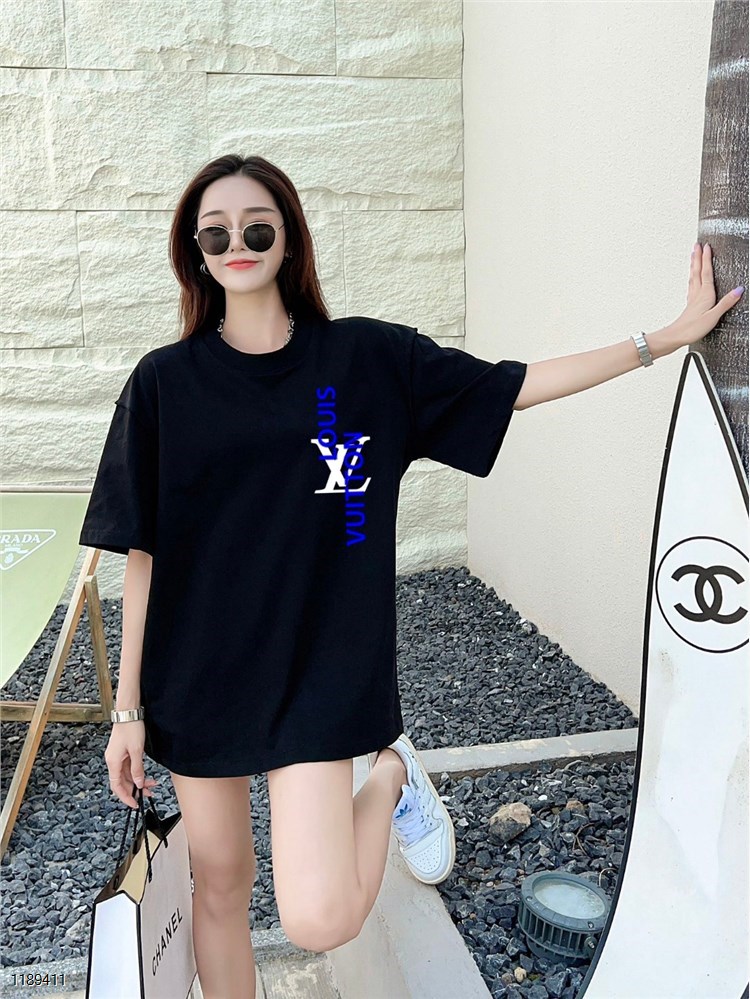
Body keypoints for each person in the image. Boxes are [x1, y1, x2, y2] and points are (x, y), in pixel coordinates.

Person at [78, 152, 743, 999]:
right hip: (200, 675)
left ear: (289, 239)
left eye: (257, 227)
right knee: (220, 885)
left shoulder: (364, 360)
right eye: (216, 233)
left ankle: (391, 772)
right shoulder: (163, 383)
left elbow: (511, 386)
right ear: (195, 252)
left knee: (318, 917)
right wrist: (127, 711)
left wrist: (661, 339)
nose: (236, 244)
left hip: (317, 675)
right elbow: (142, 552)